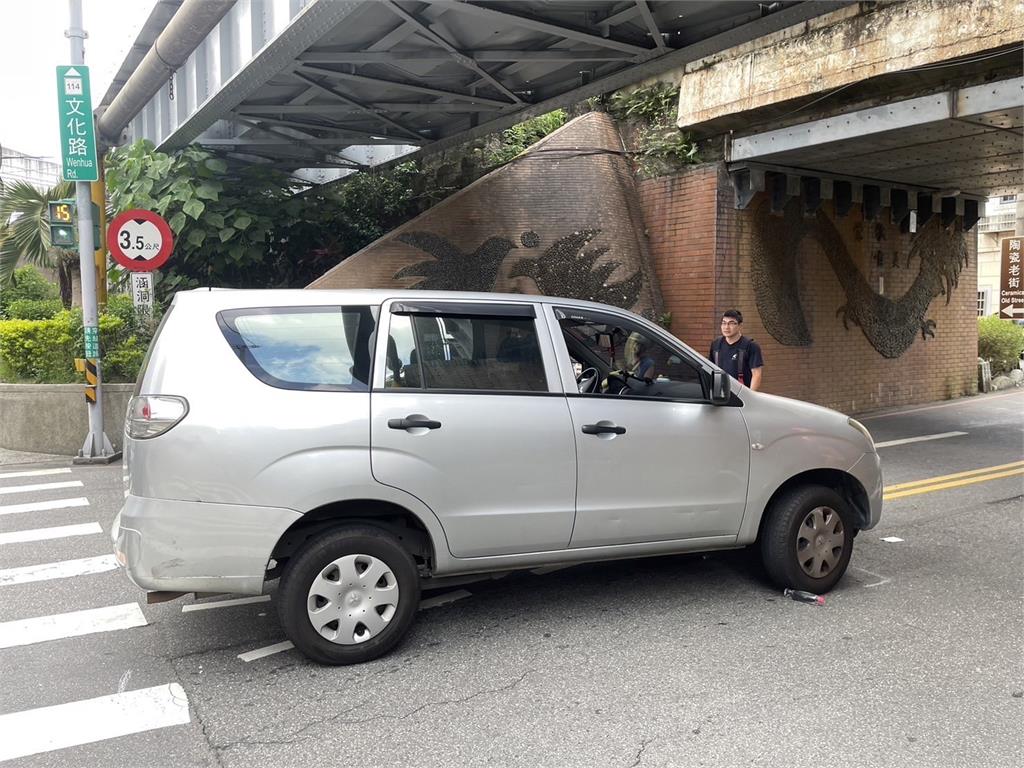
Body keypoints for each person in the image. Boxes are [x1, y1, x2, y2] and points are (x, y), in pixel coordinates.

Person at [709, 309, 763, 391]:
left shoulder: (750, 346)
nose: (726, 327)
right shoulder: (716, 344)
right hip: (720, 395)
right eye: (724, 323)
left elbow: (757, 374)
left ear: (740, 326)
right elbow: (710, 369)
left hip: (742, 395)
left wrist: (750, 397)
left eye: (731, 323)